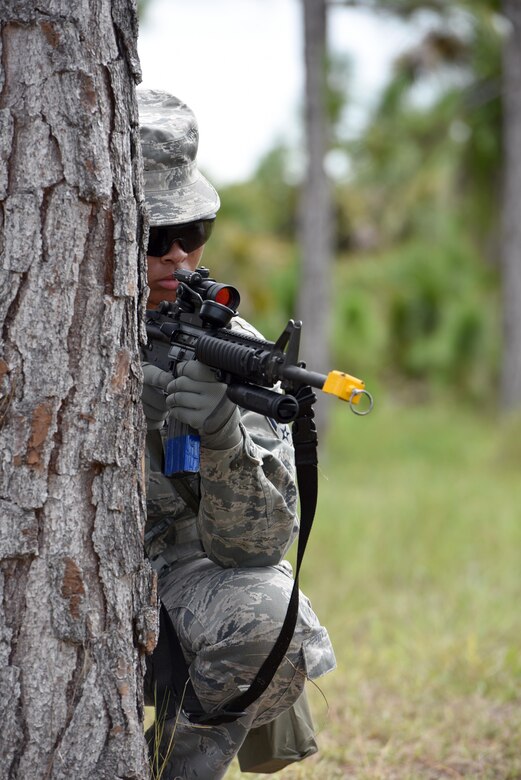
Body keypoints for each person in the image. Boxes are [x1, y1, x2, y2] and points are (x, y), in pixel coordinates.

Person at [138, 89, 336, 779]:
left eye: (193, 231)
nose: (178, 257)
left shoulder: (227, 347)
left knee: (267, 622)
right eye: (151, 237)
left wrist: (221, 435)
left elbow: (254, 549)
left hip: (170, 578)